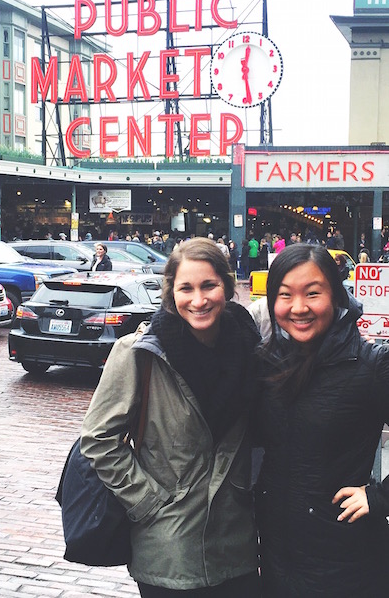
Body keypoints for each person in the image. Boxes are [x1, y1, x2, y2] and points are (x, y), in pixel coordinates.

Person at [81, 238, 261, 596]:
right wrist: (148, 502)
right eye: (186, 288)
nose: (199, 300)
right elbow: (98, 439)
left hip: (236, 547)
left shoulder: (251, 348)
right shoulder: (140, 353)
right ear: (171, 293)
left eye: (209, 285)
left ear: (227, 287)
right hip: (168, 551)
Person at [254, 244, 389, 598]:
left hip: (347, 565)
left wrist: (380, 497)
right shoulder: (268, 361)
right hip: (277, 559)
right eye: (285, 295)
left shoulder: (371, 365)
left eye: (312, 293)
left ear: (336, 296)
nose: (299, 307)